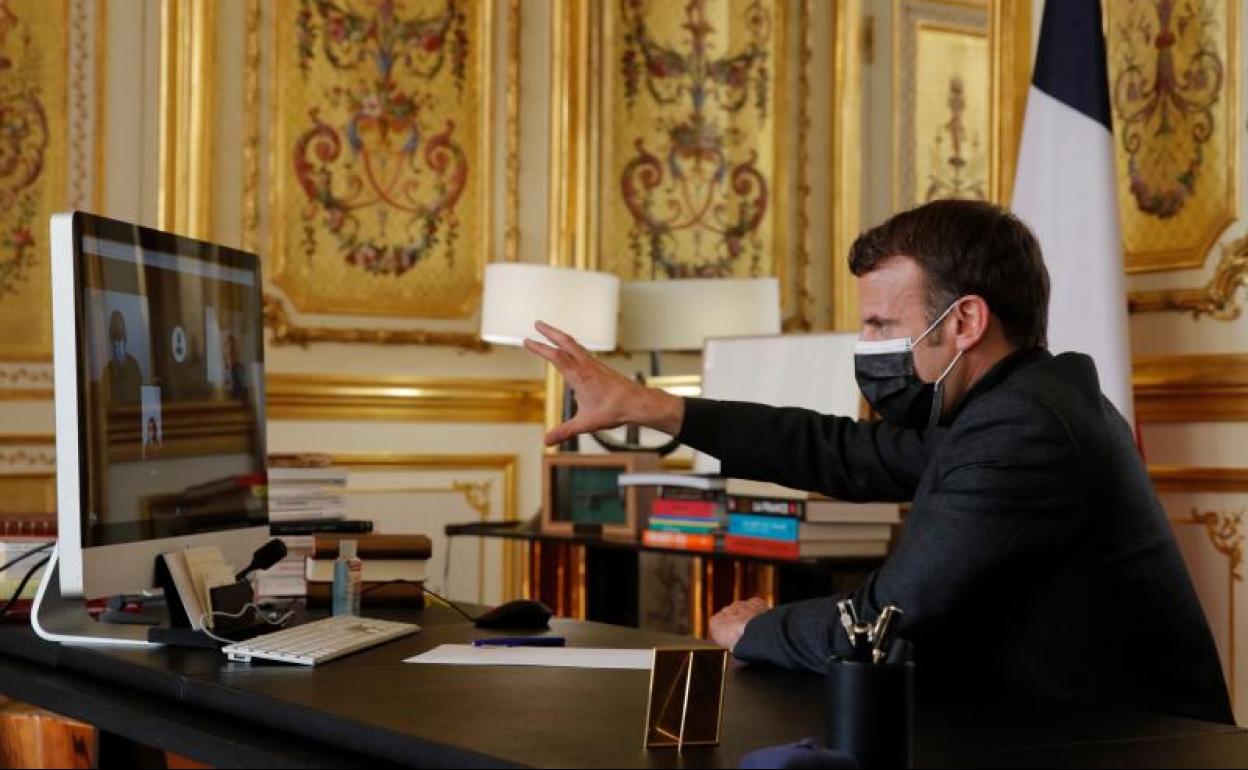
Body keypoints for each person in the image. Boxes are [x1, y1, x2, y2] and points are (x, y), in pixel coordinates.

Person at [524, 199, 1233, 725]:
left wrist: (756, 629)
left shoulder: (1025, 428)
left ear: (964, 322)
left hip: (1123, 745)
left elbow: (882, 623)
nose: (867, 346)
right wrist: (651, 406)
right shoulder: (1017, 403)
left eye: (881, 325)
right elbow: (839, 451)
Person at [103, 310, 142, 406]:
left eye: (119, 323)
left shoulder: (134, 364)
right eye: (114, 324)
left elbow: (138, 393)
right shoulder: (107, 367)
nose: (117, 326)